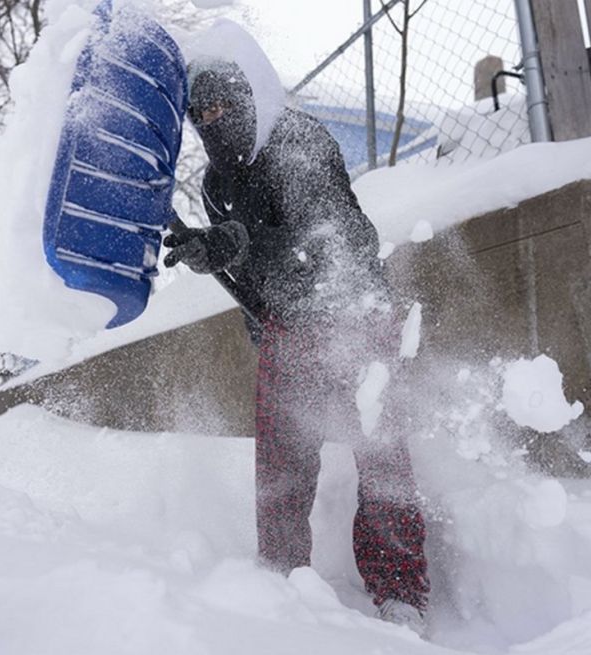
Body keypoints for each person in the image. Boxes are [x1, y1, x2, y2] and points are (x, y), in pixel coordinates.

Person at [163, 60, 430, 628]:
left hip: (354, 310)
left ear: (250, 98)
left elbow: (333, 239)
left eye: (224, 107)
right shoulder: (216, 184)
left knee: (381, 458)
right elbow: (252, 271)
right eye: (201, 114)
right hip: (288, 328)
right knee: (280, 466)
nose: (214, 121)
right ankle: (282, 587)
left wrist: (236, 242)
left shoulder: (297, 140)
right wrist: (212, 253)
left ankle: (399, 591)